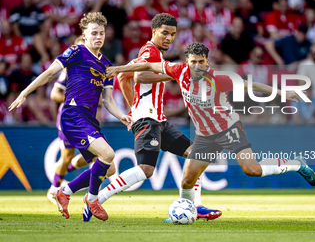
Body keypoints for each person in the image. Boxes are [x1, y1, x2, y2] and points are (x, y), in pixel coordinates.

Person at [106, 42, 315, 206]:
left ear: (207, 62)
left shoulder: (218, 78)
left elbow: (251, 85)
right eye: (193, 62)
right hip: (205, 136)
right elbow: (148, 65)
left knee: (252, 170)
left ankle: (295, 164)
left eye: (201, 62)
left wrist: (282, 93)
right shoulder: (178, 70)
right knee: (187, 181)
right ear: (187, 62)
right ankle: (188, 210)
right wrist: (119, 69)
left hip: (229, 129)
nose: (197, 66)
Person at [82, 13, 222, 222]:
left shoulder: (154, 53)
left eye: (172, 34)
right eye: (164, 33)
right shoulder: (150, 50)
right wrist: (174, 74)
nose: (168, 38)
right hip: (148, 119)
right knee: (146, 169)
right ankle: (96, 198)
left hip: (157, 119)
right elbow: (140, 75)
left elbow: (124, 75)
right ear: (154, 31)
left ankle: (195, 205)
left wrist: (132, 109)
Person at [9, 12, 133, 221]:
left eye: (101, 33)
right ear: (84, 35)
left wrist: (122, 116)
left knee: (109, 167)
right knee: (108, 154)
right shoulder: (76, 51)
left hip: (89, 120)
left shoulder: (106, 65)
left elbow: (109, 100)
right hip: (73, 115)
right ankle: (92, 198)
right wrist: (24, 93)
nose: (98, 37)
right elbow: (49, 73)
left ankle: (64, 191)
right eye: (93, 33)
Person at [47, 36, 92, 205]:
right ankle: (53, 191)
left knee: (96, 155)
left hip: (87, 118)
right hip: (69, 117)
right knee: (66, 157)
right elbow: (54, 94)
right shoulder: (69, 70)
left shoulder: (95, 69)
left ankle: (69, 171)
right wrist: (74, 100)